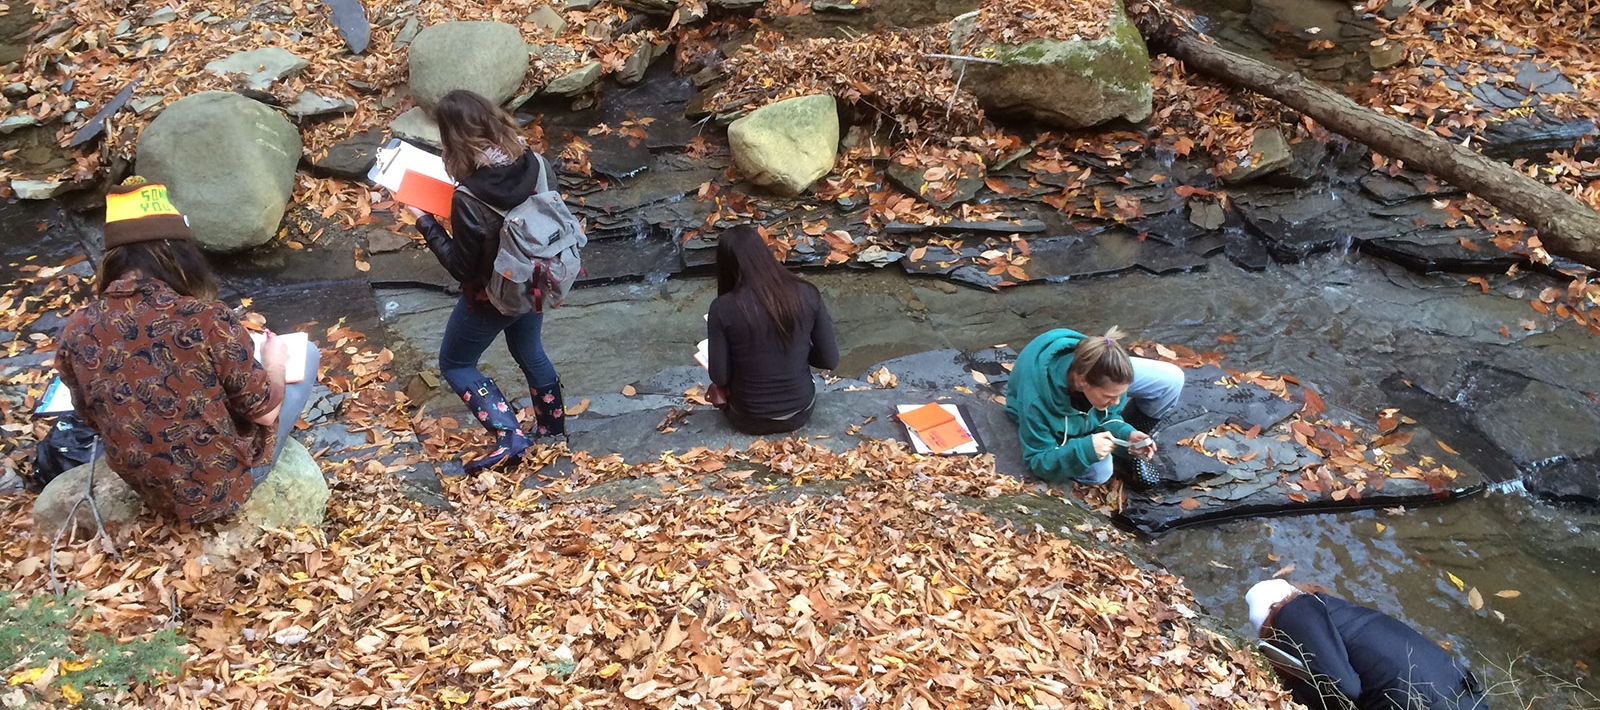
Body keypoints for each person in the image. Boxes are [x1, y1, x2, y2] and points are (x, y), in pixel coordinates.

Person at [54, 177, 321, 525]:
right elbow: (265, 413)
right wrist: (274, 365)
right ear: (176, 253)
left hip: (150, 491)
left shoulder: (76, 328)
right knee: (308, 353)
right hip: (220, 490)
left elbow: (90, 415)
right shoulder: (206, 319)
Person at [408, 89, 565, 471]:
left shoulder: (468, 198)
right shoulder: (538, 163)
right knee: (530, 350)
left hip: (493, 295)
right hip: (537, 279)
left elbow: (461, 268)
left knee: (456, 363)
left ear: (454, 138)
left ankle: (509, 435)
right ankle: (554, 430)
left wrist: (423, 218)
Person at [1246, 579, 1488, 710]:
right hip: (1468, 694)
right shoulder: (1338, 611)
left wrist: (1292, 691)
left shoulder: (1293, 612)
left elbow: (1344, 688)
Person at [1004, 327, 1184, 485]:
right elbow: (1038, 461)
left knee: (1172, 379)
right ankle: (1093, 444)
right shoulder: (1036, 402)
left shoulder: (1102, 368)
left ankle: (1125, 451)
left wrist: (1126, 434)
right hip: (1044, 400)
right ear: (1083, 382)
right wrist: (1085, 450)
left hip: (1098, 380)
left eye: (1121, 394)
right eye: (1110, 396)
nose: (1117, 402)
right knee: (1101, 472)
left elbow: (1109, 415)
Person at [706, 225, 839, 435]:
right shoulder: (807, 293)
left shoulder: (722, 308)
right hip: (801, 411)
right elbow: (829, 360)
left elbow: (720, 377)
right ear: (765, 254)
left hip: (749, 417)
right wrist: (799, 348)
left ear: (726, 266)